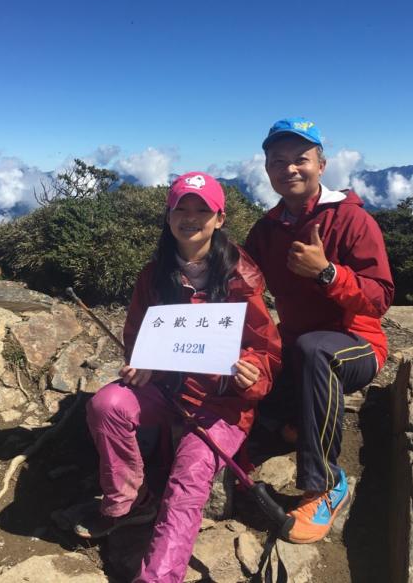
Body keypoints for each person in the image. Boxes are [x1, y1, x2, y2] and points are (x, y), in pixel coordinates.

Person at [76, 172, 282, 582]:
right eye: (181, 208)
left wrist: (252, 374)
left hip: (222, 405)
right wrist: (142, 363)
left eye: (202, 210)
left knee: (187, 481)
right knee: (107, 405)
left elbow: (267, 350)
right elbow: (137, 336)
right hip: (166, 390)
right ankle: (130, 502)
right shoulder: (154, 275)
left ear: (220, 219)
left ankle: (159, 576)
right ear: (168, 216)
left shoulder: (240, 278)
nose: (190, 217)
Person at [244, 118, 394, 544]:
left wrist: (327, 273)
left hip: (357, 344)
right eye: (278, 161)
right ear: (268, 169)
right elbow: (241, 281)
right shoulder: (267, 229)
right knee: (257, 372)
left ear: (321, 166)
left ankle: (325, 484)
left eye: (301, 159)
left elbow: (380, 298)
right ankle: (291, 426)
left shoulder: (352, 220)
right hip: (296, 345)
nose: (289, 168)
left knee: (315, 351)